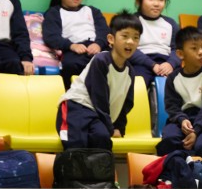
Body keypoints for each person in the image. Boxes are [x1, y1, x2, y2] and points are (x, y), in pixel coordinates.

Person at [55, 11, 142, 150]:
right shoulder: (101, 60)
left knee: (101, 137)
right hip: (76, 107)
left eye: (135, 37)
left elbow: (126, 103)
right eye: (125, 36)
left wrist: (118, 127)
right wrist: (110, 128)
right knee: (77, 145)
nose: (130, 41)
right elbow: (99, 98)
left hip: (96, 115)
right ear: (111, 39)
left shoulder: (130, 71)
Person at [156, 27, 202, 162]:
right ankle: (174, 170)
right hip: (183, 120)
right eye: (194, 48)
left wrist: (196, 131)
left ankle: (200, 173)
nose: (201, 52)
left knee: (201, 146)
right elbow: (172, 107)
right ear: (180, 54)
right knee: (169, 139)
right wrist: (182, 119)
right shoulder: (173, 78)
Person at [41, 0, 111, 90]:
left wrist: (98, 44)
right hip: (74, 51)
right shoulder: (54, 13)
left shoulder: (92, 11)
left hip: (96, 49)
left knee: (112, 61)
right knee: (69, 64)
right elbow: (51, 36)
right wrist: (71, 46)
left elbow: (104, 31)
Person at [132, 0, 180, 85]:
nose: (156, 4)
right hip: (141, 63)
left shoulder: (170, 24)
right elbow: (129, 49)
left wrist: (170, 64)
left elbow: (178, 49)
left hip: (166, 62)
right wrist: (152, 65)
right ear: (138, 1)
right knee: (137, 82)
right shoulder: (132, 21)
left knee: (180, 82)